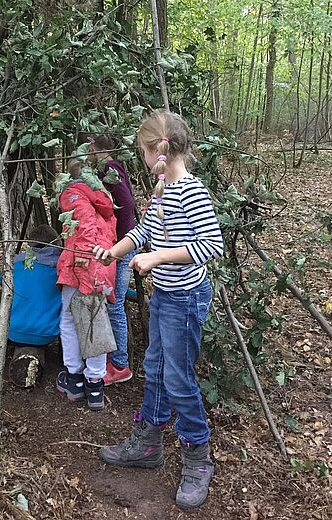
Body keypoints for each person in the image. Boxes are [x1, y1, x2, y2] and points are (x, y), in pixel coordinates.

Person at [93, 110, 224, 510]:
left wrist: (157, 260)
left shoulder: (191, 191)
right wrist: (113, 252)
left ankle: (198, 459)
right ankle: (149, 444)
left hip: (186, 300)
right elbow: (145, 230)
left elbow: (210, 247)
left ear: (158, 150)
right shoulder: (163, 190)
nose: (144, 160)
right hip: (166, 297)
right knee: (154, 366)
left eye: (143, 152)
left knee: (179, 379)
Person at [56, 158, 117, 411]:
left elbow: (84, 225)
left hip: (83, 263)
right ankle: (94, 384)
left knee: (70, 320)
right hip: (102, 263)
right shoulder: (102, 197)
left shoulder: (73, 194)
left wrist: (82, 256)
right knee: (95, 321)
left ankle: (75, 378)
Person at [88, 134, 137, 386]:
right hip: (122, 243)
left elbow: (127, 205)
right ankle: (115, 359)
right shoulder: (113, 166)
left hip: (122, 244)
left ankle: (120, 365)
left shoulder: (108, 167)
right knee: (113, 301)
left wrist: (119, 242)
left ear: (94, 146)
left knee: (114, 302)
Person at [7, 225, 62, 388]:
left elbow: (2, 279)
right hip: (48, 333)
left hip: (14, 332)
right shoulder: (60, 268)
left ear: (29, 245)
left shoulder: (17, 263)